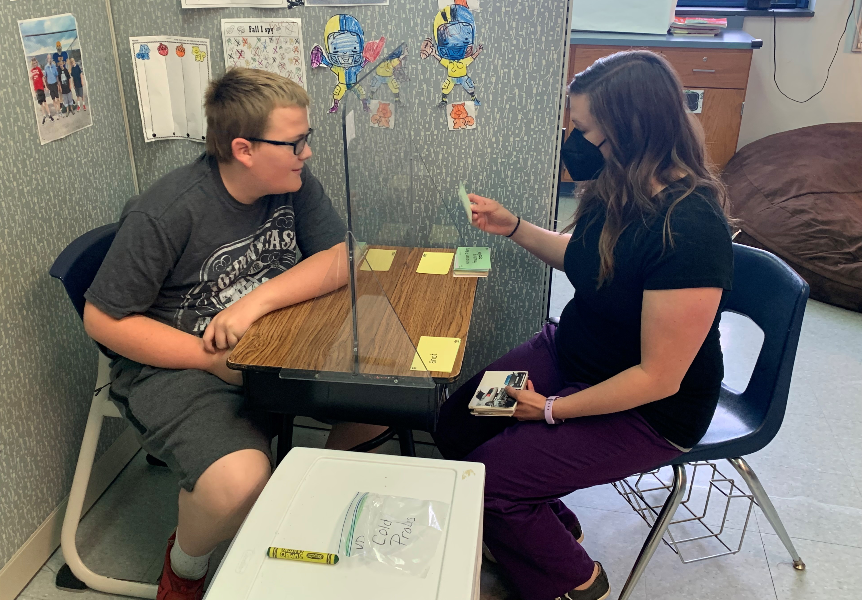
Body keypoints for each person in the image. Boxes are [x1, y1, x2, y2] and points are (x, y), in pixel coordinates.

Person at [433, 50, 735, 600]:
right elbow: (588, 258)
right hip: (573, 353)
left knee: (490, 484)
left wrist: (549, 410)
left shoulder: (691, 227)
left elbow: (658, 378)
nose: (576, 141)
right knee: (458, 425)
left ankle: (578, 582)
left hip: (649, 409)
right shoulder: (620, 185)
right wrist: (515, 227)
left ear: (632, 129)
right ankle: (541, 525)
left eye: (587, 129)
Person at [83, 68, 387, 600]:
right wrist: (206, 361)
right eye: (295, 142)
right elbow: (103, 321)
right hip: (181, 363)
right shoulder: (168, 211)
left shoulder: (290, 183)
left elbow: (343, 258)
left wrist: (254, 302)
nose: (307, 153)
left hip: (270, 344)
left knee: (379, 398)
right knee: (239, 483)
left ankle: (297, 516)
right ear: (244, 149)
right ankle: (185, 566)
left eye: (308, 139)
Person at [28, 57, 53, 124]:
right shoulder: (31, 71)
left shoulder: (39, 69)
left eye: (36, 63)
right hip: (36, 89)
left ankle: (49, 114)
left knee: (45, 102)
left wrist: (45, 86)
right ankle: (44, 115)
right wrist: (33, 91)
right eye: (33, 63)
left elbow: (42, 78)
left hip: (41, 88)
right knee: (41, 103)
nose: (35, 64)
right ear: (32, 64)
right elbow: (31, 80)